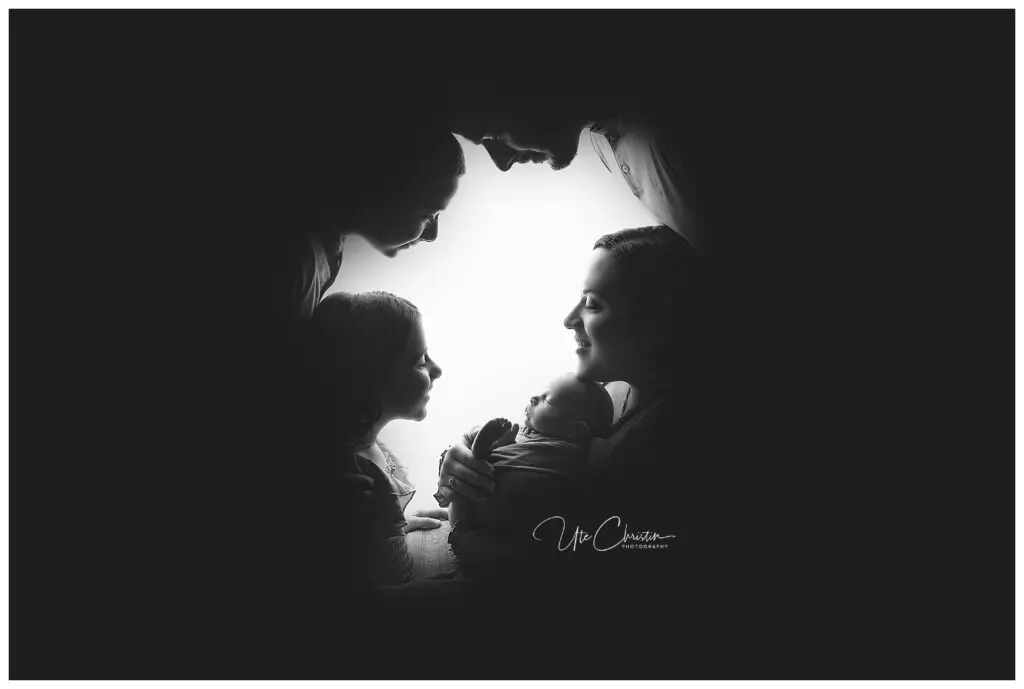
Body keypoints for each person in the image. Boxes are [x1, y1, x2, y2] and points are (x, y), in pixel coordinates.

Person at [434, 225, 712, 597]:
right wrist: (462, 458)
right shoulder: (610, 391)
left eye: (593, 304)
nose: (569, 319)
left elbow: (563, 563)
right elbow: (529, 451)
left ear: (656, 320)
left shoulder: (668, 439)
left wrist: (463, 529)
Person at [307, 290, 448, 589]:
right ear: (373, 377)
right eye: (420, 361)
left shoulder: (371, 448)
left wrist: (396, 524)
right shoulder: (349, 478)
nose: (437, 370)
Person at [267, 127, 466, 322]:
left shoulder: (327, 249)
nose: (432, 235)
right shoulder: (296, 263)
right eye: (428, 215)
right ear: (386, 191)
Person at [444, 374, 614, 573]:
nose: (533, 398)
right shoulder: (527, 434)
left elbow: (526, 473)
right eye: (539, 394)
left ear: (576, 430)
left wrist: (490, 453)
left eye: (547, 400)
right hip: (476, 510)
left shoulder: (562, 453)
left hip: (489, 534)